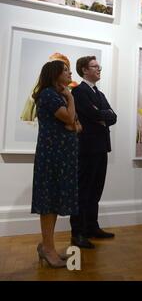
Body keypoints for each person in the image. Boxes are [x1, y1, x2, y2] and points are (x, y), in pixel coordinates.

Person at [31, 60, 80, 268]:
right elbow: (70, 118)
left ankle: (47, 246)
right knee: (48, 202)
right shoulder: (49, 95)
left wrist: (71, 123)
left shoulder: (57, 96)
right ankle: (47, 248)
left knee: (55, 201)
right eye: (66, 70)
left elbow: (78, 126)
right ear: (55, 74)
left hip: (61, 156)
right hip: (52, 156)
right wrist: (69, 97)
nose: (70, 73)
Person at [70, 56, 117, 249]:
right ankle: (78, 233)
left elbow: (112, 116)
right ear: (84, 69)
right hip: (86, 149)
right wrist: (100, 115)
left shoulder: (99, 93)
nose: (99, 69)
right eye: (94, 66)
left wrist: (101, 115)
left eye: (99, 66)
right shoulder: (79, 91)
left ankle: (91, 227)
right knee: (83, 191)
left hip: (100, 147)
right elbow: (93, 114)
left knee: (96, 190)